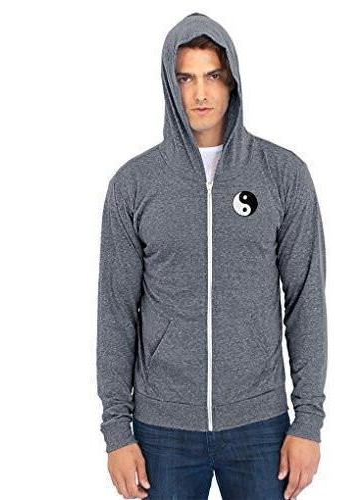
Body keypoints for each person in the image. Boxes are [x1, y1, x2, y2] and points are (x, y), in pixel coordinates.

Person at [96, 12, 328, 500]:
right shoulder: (134, 185)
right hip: (162, 430)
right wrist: (117, 430)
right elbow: (116, 310)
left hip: (261, 425)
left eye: (213, 75)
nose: (200, 93)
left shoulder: (282, 175)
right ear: (170, 84)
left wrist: (308, 421)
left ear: (232, 80)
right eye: (186, 78)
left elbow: (305, 299)